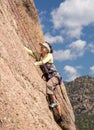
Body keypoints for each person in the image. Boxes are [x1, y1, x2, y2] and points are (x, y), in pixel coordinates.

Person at [24, 41, 62, 121]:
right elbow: (31, 53)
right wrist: (21, 46)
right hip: (50, 77)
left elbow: (43, 62)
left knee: (49, 85)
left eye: (43, 47)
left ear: (47, 49)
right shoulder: (40, 56)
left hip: (55, 76)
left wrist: (34, 64)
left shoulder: (49, 55)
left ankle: (55, 105)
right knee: (53, 95)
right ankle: (59, 116)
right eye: (41, 46)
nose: (41, 48)